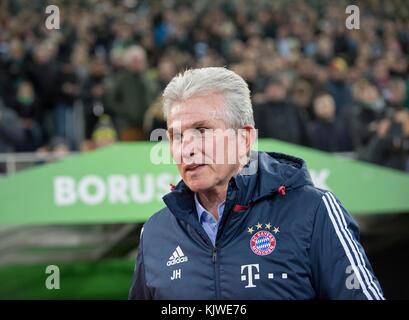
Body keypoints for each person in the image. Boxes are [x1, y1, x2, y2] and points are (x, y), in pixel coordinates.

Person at [128, 67, 384, 300]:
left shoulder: (314, 211)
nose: (187, 148)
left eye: (202, 131)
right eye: (176, 136)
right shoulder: (154, 232)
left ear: (245, 138)